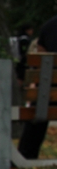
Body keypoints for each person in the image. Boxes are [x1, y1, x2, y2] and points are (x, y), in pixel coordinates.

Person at [18, 14, 57, 159]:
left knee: (40, 101)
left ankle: (27, 154)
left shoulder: (50, 25)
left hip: (48, 99)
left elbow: (40, 56)